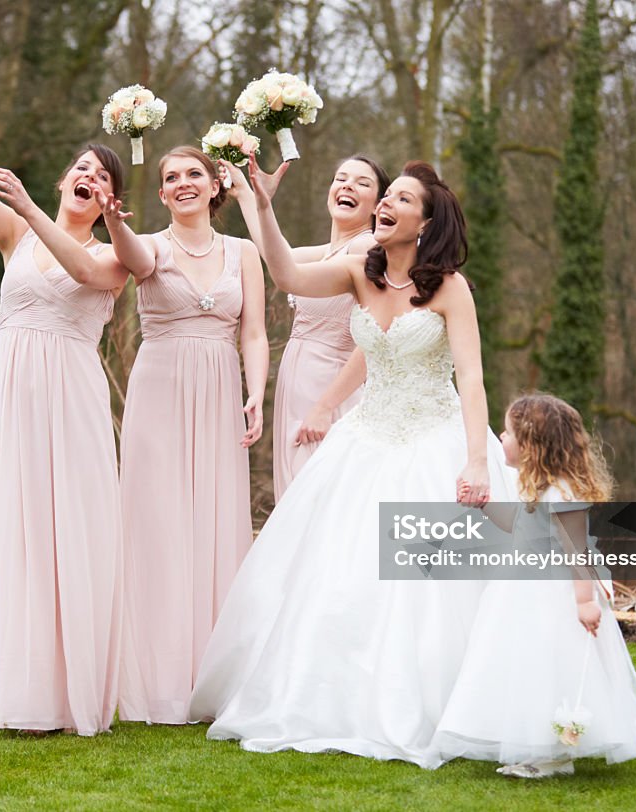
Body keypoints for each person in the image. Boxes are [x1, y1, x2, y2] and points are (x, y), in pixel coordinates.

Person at [188, 157, 515, 768]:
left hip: (432, 439)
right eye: (385, 195)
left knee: (427, 588)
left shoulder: (450, 287)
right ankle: (329, 698)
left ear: (425, 221)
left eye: (401, 199)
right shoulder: (358, 273)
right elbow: (286, 274)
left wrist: (475, 461)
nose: (386, 203)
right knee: (335, 573)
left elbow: (470, 378)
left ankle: (441, 706)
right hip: (364, 441)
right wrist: (261, 203)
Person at [0, 72, 141, 736]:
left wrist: (37, 211)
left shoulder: (114, 254)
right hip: (13, 397)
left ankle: (71, 696)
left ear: (108, 199)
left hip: (71, 403)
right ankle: (21, 692)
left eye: (98, 175)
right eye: (79, 166)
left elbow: (81, 274)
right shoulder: (16, 236)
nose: (84, 175)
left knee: (68, 531)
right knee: (18, 532)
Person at [108, 146, 269, 724]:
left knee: (217, 520)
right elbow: (130, 258)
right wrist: (112, 221)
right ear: (161, 194)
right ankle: (156, 680)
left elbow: (254, 332)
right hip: (160, 388)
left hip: (222, 385)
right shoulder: (148, 245)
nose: (181, 184)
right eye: (170, 178)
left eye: (192, 174)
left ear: (213, 185)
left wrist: (255, 391)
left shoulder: (244, 252)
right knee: (159, 522)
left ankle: (215, 674)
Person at [434, 393, 636, 776]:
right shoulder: (535, 485)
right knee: (526, 665)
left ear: (532, 443)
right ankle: (538, 745)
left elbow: (576, 552)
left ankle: (554, 755)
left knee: (551, 665)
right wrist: (483, 504)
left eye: (508, 433)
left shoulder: (563, 492)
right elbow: (519, 526)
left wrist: (585, 602)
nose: (501, 439)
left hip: (554, 595)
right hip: (522, 590)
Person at [228, 155, 390, 499]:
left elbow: (377, 337)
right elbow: (275, 256)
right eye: (341, 178)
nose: (347, 185)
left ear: (378, 205)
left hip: (329, 391)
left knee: (318, 500)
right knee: (297, 499)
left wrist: (326, 407)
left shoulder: (367, 248)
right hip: (298, 385)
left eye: (362, 183)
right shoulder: (329, 252)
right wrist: (250, 195)